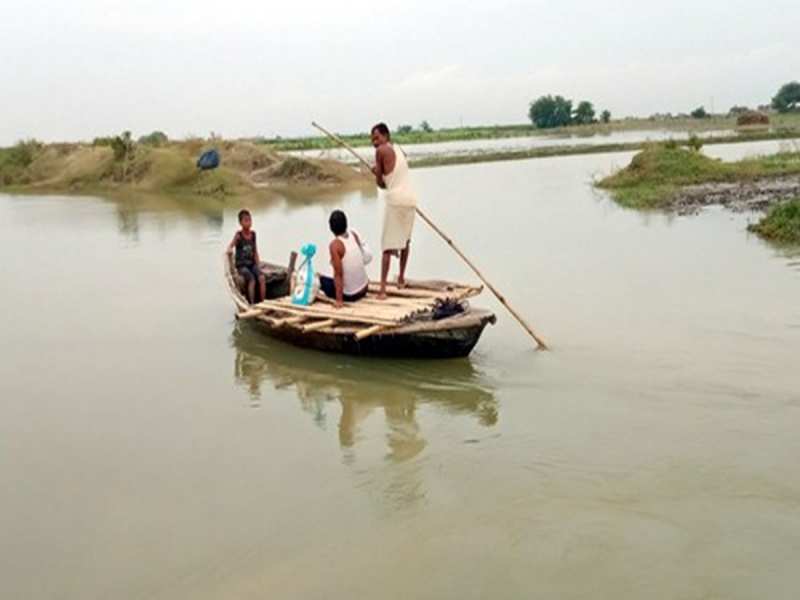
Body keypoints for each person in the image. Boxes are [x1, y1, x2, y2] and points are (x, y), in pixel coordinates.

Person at [371, 122, 417, 299]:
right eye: (373, 140)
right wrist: (381, 172)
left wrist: (376, 172)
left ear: (385, 136)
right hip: (410, 198)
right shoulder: (399, 148)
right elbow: (396, 172)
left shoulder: (381, 151)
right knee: (405, 241)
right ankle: (401, 279)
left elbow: (381, 184)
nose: (375, 142)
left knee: (387, 246)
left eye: (377, 138)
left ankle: (382, 290)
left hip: (396, 200)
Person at [320, 210, 370, 308]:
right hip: (364, 288)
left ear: (331, 228)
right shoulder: (353, 234)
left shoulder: (335, 245)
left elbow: (338, 274)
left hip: (351, 295)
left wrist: (339, 301)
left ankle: (338, 297)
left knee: (321, 280)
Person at [226, 209, 266, 304]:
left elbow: (255, 251)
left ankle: (263, 302)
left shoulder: (253, 235)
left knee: (262, 278)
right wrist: (229, 250)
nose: (249, 223)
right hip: (242, 266)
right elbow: (230, 246)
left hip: (252, 264)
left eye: (250, 220)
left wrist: (258, 264)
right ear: (241, 223)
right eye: (246, 220)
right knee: (251, 279)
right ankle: (251, 304)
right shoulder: (238, 235)